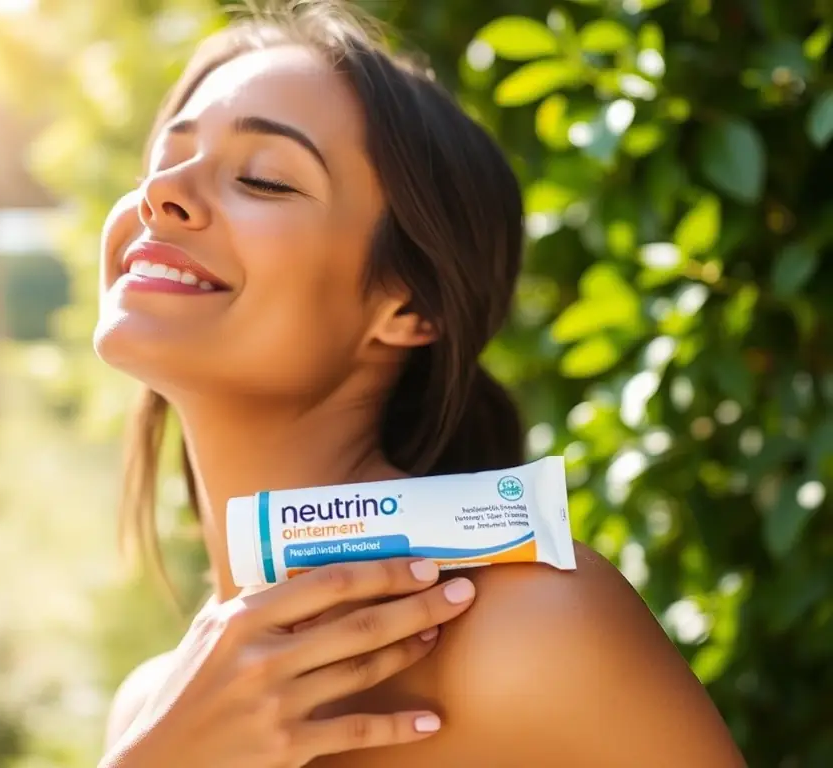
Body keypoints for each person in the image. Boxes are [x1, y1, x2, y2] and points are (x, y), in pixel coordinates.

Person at [93, 2, 747, 766]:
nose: (159, 195)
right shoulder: (150, 711)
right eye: (161, 161)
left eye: (263, 179)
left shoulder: (535, 629)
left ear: (407, 305)